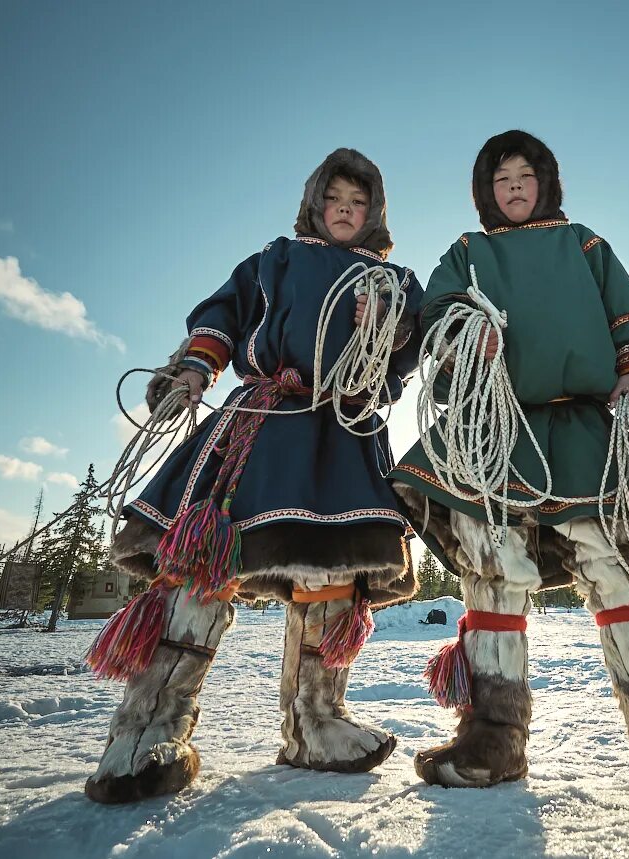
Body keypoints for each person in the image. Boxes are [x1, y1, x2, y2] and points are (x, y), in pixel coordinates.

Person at [390, 131, 629, 799]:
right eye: (500, 178)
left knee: (616, 571)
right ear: (485, 191)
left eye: (524, 175)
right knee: (491, 568)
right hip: (492, 427)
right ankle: (491, 739)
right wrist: (462, 329)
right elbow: (438, 313)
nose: (513, 186)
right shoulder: (468, 251)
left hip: (582, 425)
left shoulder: (585, 244)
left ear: (545, 183)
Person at [84, 148, 422, 804]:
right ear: (315, 206)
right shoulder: (274, 260)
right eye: (335, 201)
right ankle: (149, 726)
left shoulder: (395, 282)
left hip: (341, 428)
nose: (345, 211)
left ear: (373, 212)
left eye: (358, 203)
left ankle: (315, 722)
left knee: (331, 577)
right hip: (262, 420)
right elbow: (222, 318)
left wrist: (388, 328)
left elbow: (404, 354)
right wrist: (190, 371)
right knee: (204, 563)